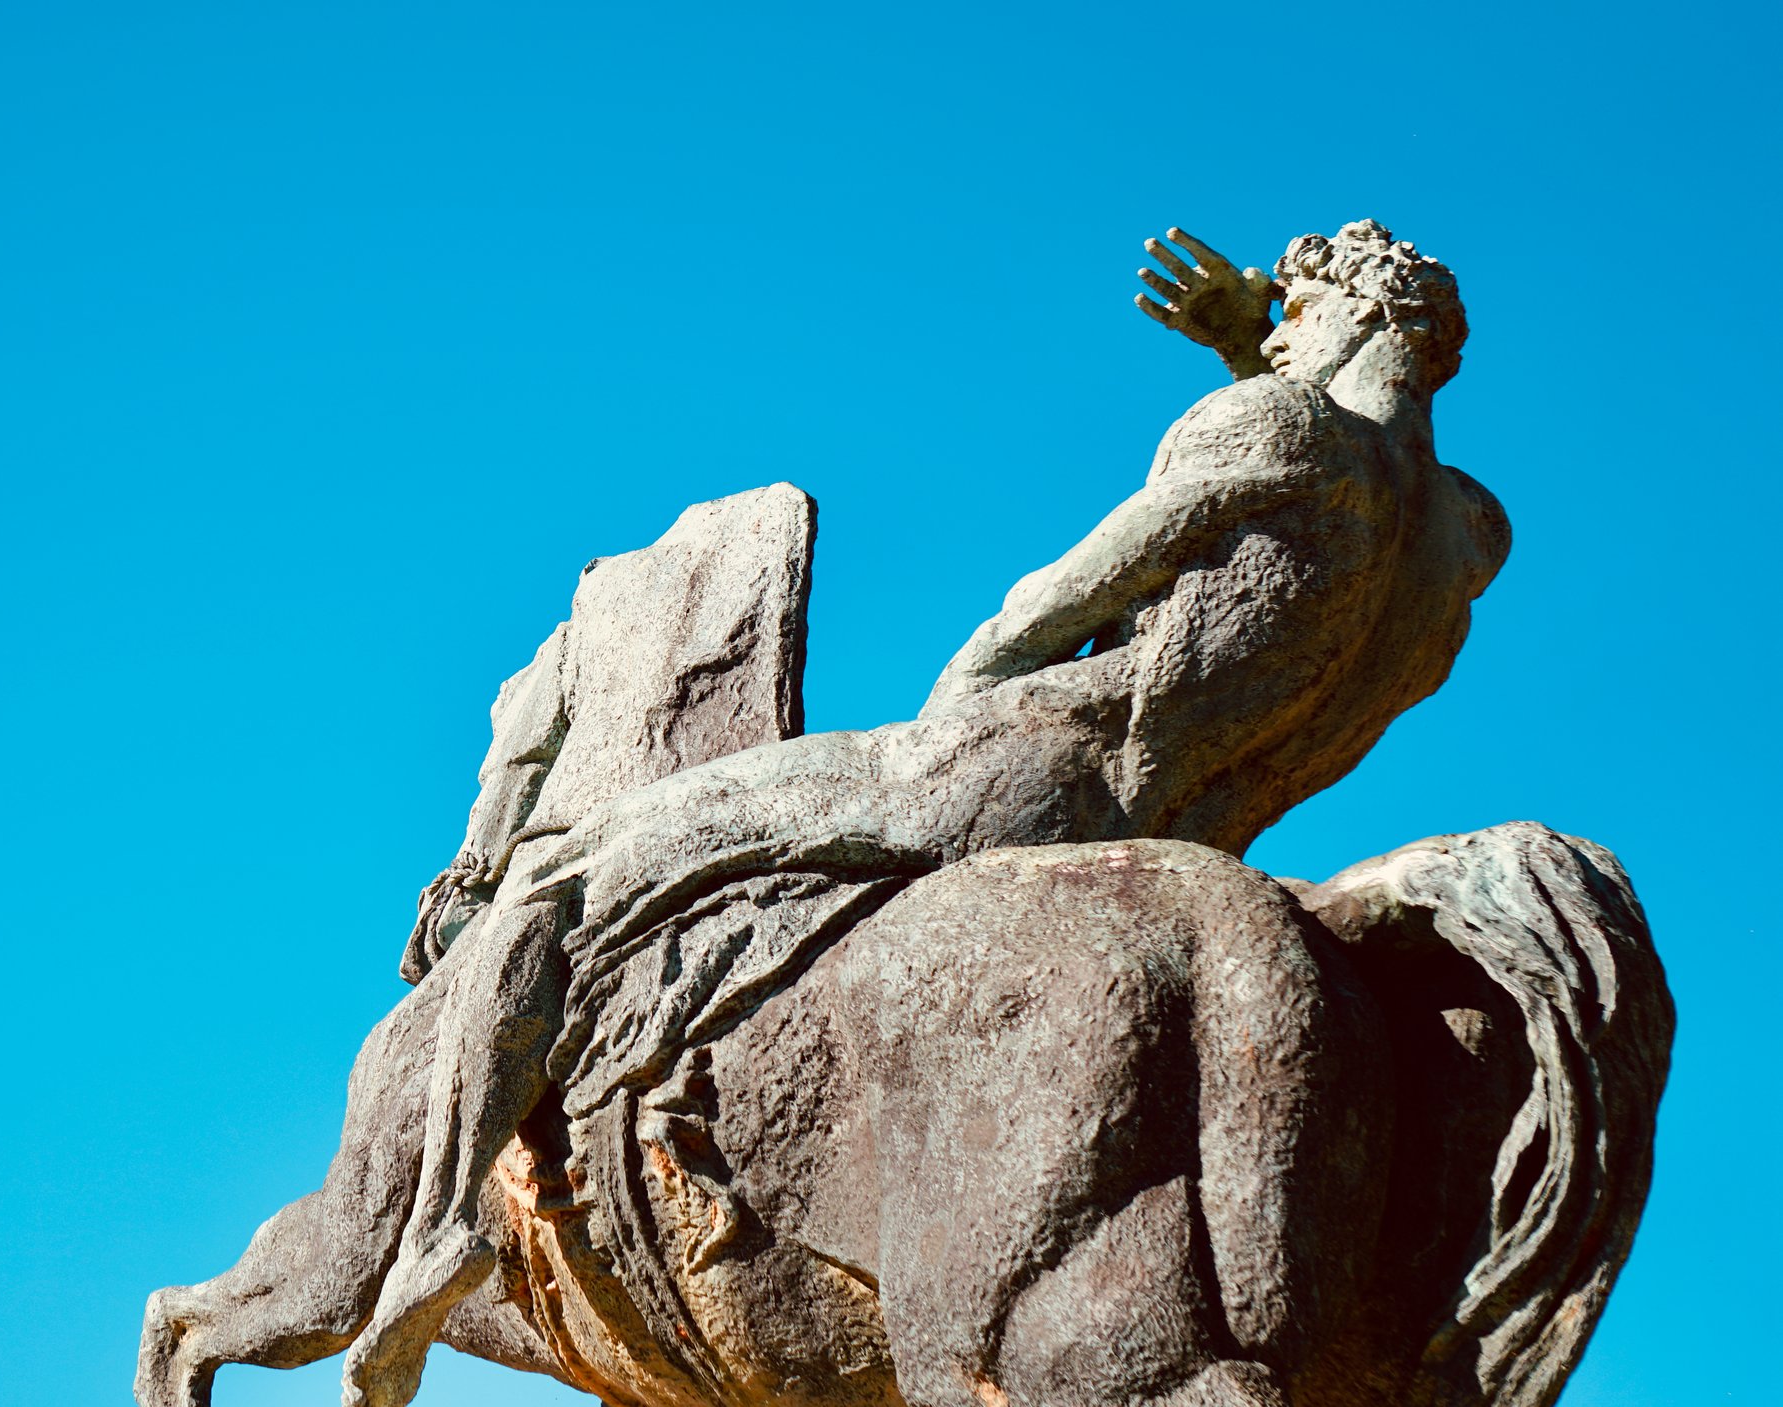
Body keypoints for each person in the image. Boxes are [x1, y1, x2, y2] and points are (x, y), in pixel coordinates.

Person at [339, 221, 1510, 1407]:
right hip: (1192, 824)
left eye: (1291, 316)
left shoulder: (1274, 425)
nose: (1274, 334)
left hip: (1035, 769)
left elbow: (1068, 591)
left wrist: (962, 709)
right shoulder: (1461, 539)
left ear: (1348, 313)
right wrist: (1251, 353)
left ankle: (437, 1229)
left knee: (569, 883)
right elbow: (1313, 525)